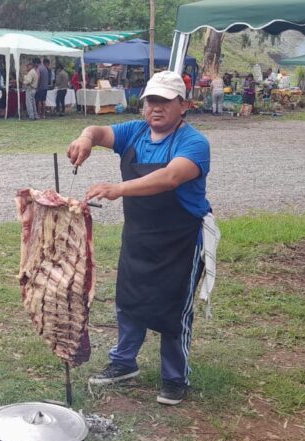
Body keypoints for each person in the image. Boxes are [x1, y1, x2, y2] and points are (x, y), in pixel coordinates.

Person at [66, 71, 217, 406]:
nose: (156, 108)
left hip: (181, 239)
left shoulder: (194, 143)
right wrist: (86, 138)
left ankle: (174, 378)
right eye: (151, 101)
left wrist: (118, 188)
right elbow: (98, 130)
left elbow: (170, 177)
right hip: (139, 234)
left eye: (165, 101)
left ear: (184, 105)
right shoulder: (134, 131)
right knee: (129, 300)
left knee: (174, 309)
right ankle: (124, 362)